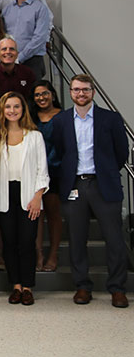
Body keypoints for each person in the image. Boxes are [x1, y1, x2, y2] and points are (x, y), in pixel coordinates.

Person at [52, 74, 129, 308]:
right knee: (76, 239)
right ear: (71, 92)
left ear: (93, 92)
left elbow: (121, 153)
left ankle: (117, 288)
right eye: (76, 90)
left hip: (102, 184)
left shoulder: (111, 119)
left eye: (85, 90)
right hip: (74, 185)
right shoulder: (62, 120)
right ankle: (82, 286)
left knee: (115, 239)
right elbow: (59, 151)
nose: (81, 94)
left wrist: (104, 172)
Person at [0, 92, 49, 305]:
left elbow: (42, 169)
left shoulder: (35, 136)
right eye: (8, 107)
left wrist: (37, 197)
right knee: (9, 242)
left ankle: (27, 287)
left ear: (23, 109)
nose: (12, 111)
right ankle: (15, 286)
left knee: (27, 242)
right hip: (4, 194)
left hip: (29, 195)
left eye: (17, 106)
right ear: (2, 110)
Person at [32, 81, 63, 272]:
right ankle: (38, 254)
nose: (41, 98)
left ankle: (53, 254)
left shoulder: (63, 116)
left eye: (45, 94)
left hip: (56, 171)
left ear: (52, 94)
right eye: (37, 95)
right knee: (36, 215)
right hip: (34, 171)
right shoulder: (30, 117)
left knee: (53, 214)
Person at [1, 0, 51, 80]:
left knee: (33, 93)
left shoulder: (40, 9)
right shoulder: (7, 9)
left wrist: (21, 57)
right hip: (10, 59)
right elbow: (3, 34)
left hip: (32, 59)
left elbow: (40, 37)